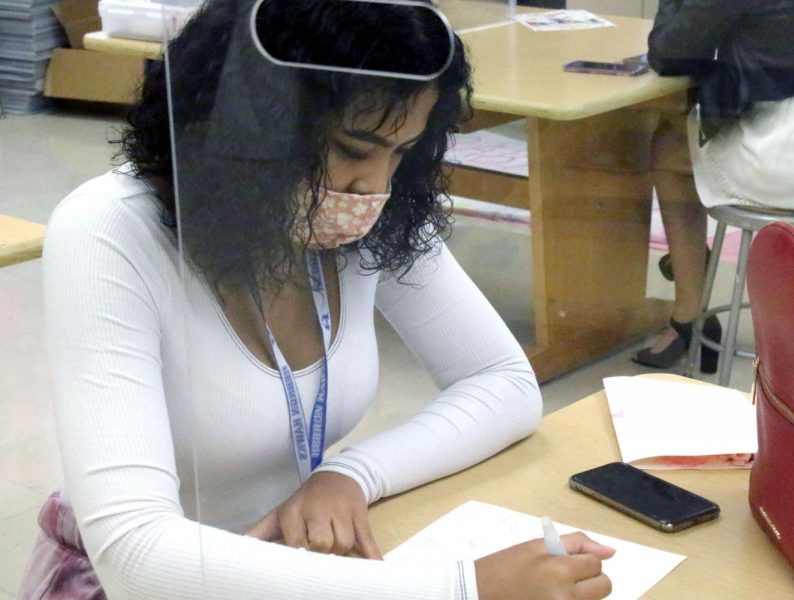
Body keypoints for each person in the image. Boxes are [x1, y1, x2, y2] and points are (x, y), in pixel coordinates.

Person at [18, 1, 615, 599]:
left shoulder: (359, 215)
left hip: (300, 566)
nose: (374, 186)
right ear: (251, 124)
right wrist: (461, 590)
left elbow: (502, 381)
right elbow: (136, 555)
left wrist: (350, 474)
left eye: (401, 152)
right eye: (354, 150)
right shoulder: (110, 230)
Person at [633, 0, 794, 372]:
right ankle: (694, 285)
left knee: (669, 148)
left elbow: (668, 52)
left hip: (791, 160)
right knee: (686, 139)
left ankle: (688, 313)